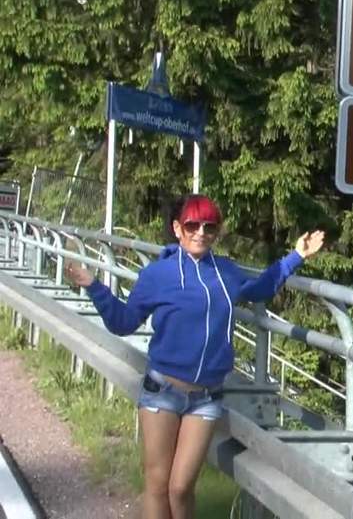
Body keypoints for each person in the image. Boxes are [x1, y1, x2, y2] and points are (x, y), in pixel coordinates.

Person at [65, 194, 325, 519]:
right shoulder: (158, 275)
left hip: (206, 398)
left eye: (209, 227)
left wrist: (296, 256)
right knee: (158, 485)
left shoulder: (227, 273)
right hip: (162, 392)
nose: (201, 232)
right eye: (192, 225)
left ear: (217, 232)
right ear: (178, 228)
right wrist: (93, 286)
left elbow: (261, 288)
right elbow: (123, 322)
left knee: (181, 489)